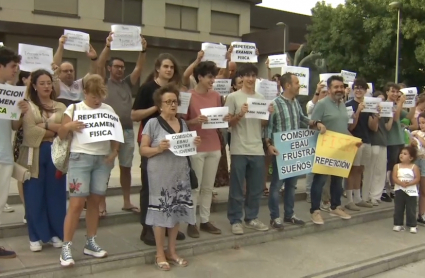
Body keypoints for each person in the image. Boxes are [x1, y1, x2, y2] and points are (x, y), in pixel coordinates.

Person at [58, 74, 120, 267]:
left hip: (102, 160)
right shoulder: (74, 108)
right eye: (93, 96)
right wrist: (69, 125)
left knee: (95, 202)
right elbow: (60, 133)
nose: (97, 100)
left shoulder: (108, 109)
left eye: (100, 95)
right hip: (80, 157)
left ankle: (90, 241)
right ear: (85, 92)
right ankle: (66, 247)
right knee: (76, 204)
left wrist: (114, 152)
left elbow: (115, 133)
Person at [140, 84, 201, 271]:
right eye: (168, 102)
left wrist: (194, 142)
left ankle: (172, 251)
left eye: (175, 101)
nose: (172, 105)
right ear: (160, 105)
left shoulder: (183, 123)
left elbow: (186, 148)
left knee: (176, 212)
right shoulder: (152, 124)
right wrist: (158, 148)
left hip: (179, 173)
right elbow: (143, 149)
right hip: (160, 174)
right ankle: (160, 253)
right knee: (161, 213)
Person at [131, 53, 184, 246]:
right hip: (151, 142)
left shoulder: (176, 90)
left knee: (171, 186)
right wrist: (157, 108)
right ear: (158, 69)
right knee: (150, 186)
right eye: (166, 66)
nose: (169, 70)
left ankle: (169, 225)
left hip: (173, 145)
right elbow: (135, 115)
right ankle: (148, 228)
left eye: (172, 67)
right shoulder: (147, 88)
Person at [266, 73, 326, 230]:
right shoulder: (275, 104)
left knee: (292, 185)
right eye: (297, 82)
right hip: (280, 152)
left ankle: (289, 214)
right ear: (287, 86)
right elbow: (269, 127)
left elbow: (302, 119)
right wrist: (269, 144)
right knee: (276, 185)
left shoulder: (296, 103)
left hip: (294, 151)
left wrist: (315, 123)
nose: (299, 85)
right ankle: (274, 217)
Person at [96, 32, 148, 216]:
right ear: (110, 68)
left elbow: (139, 70)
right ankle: (101, 205)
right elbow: (99, 64)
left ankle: (127, 201)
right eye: (116, 67)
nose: (120, 70)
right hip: (109, 133)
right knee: (105, 168)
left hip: (126, 131)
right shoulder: (103, 82)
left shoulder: (127, 83)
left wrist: (143, 50)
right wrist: (107, 46)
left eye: (122, 67)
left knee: (125, 168)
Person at [17, 69, 67, 251]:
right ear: (35, 86)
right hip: (34, 153)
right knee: (34, 195)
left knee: (56, 195)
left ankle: (56, 233)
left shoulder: (61, 107)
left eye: (49, 83)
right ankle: (35, 235)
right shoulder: (27, 105)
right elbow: (30, 132)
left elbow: (65, 130)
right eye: (42, 83)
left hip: (56, 153)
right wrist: (54, 129)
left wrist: (44, 125)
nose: (46, 86)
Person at [224, 63, 273, 235]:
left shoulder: (260, 97)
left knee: (256, 187)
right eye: (247, 76)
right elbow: (228, 122)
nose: (250, 79)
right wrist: (240, 114)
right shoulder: (233, 97)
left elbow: (263, 124)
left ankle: (251, 217)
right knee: (237, 187)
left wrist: (268, 113)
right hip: (239, 148)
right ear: (242, 78)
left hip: (257, 148)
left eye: (253, 76)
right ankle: (236, 219)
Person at [184, 61, 230, 237]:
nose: (213, 80)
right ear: (200, 77)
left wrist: (224, 118)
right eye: (210, 77)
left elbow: (221, 121)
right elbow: (181, 122)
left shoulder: (217, 96)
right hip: (196, 146)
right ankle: (190, 222)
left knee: (208, 187)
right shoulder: (188, 96)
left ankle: (204, 220)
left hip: (214, 145)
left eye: (214, 76)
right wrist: (194, 122)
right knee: (194, 187)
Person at [309, 75, 353, 225]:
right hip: (325, 148)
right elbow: (312, 123)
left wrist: (353, 141)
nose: (339, 89)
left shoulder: (342, 104)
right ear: (329, 89)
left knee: (337, 180)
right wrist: (319, 125)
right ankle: (315, 210)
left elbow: (342, 126)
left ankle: (335, 206)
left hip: (341, 149)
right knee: (320, 181)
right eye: (336, 87)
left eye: (341, 87)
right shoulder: (322, 104)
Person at [0, 46, 29, 258]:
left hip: (4, 155)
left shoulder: (10, 93)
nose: (16, 71)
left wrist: (21, 111)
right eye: (12, 66)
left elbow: (13, 126)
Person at [344, 79, 379, 210]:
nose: (358, 90)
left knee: (360, 170)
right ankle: (349, 199)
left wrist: (377, 116)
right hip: (354, 141)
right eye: (356, 88)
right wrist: (358, 111)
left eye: (361, 88)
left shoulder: (369, 105)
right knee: (352, 170)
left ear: (366, 90)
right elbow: (350, 127)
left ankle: (358, 198)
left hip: (367, 140)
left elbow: (373, 127)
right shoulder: (349, 104)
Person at [383, 83, 415, 202]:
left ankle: (392, 187)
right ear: (387, 92)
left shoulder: (397, 105)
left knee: (397, 165)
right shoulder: (385, 105)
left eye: (397, 92)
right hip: (390, 140)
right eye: (393, 91)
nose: (395, 94)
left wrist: (413, 104)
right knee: (389, 166)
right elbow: (395, 118)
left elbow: (409, 117)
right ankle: (385, 189)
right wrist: (400, 104)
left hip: (399, 139)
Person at [7, 70, 31, 221]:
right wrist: (22, 112)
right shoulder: (16, 95)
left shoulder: (40, 96)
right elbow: (15, 125)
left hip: (39, 140)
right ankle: (27, 209)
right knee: (22, 175)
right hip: (22, 139)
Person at [363, 91, 394, 206]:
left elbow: (388, 128)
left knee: (381, 171)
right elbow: (373, 128)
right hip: (373, 142)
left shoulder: (385, 113)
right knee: (371, 170)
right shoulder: (370, 112)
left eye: (383, 100)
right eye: (378, 100)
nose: (381, 102)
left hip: (383, 142)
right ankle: (367, 195)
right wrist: (376, 115)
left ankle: (376, 196)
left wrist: (391, 116)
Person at [53, 35, 98, 107]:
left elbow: (92, 73)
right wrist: (61, 47)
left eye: (71, 71)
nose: (69, 73)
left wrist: (94, 59)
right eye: (65, 71)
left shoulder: (80, 84)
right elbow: (54, 67)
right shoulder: (56, 84)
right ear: (59, 73)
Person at [305, 81, 327, 203]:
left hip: (326, 140)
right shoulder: (313, 104)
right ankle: (308, 192)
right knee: (311, 168)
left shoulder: (330, 105)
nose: (325, 94)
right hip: (313, 138)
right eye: (323, 92)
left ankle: (321, 193)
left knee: (322, 167)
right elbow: (310, 107)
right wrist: (317, 91)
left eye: (326, 92)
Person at [392, 146, 420, 233]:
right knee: (398, 207)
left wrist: (409, 183)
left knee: (411, 207)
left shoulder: (414, 167)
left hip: (411, 190)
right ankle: (398, 224)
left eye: (405, 154)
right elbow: (394, 177)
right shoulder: (397, 166)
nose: (402, 155)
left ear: (411, 158)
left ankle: (412, 224)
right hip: (399, 189)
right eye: (401, 153)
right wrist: (400, 183)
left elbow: (417, 178)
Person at [411, 112, 425, 225]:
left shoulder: (418, 135)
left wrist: (419, 137)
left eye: (424, 123)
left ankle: (422, 214)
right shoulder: (415, 133)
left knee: (423, 190)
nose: (421, 125)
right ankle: (412, 214)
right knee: (413, 189)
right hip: (416, 160)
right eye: (420, 123)